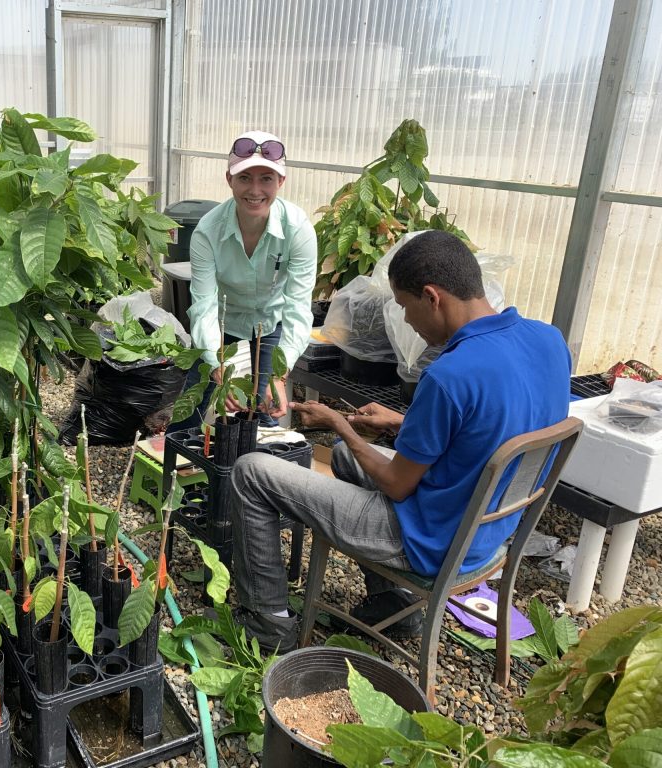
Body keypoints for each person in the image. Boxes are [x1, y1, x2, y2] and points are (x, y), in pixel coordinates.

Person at [226, 230, 572, 654]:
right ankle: (397, 603)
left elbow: (396, 485)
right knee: (343, 459)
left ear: (432, 297)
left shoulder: (449, 376)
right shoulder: (548, 340)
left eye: (405, 307)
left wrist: (342, 425)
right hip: (490, 529)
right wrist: (402, 422)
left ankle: (268, 623)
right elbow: (489, 423)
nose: (406, 321)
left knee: (251, 472)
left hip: (430, 543)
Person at [168, 131, 317, 432]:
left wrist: (279, 373)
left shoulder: (298, 230)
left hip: (270, 321)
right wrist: (215, 363)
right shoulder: (207, 233)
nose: (255, 190)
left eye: (267, 179)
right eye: (245, 178)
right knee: (192, 406)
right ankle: (173, 467)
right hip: (223, 322)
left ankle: (259, 473)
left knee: (266, 408)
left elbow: (298, 307)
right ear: (229, 180)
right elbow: (204, 306)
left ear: (281, 183)